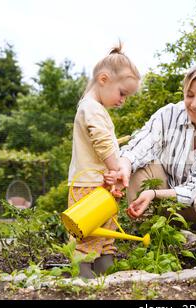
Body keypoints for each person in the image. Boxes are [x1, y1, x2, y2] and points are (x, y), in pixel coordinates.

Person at [105, 63, 196, 256]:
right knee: (138, 167)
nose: (193, 104)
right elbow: (140, 146)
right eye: (189, 95)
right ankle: (153, 239)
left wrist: (154, 194)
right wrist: (124, 166)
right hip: (171, 205)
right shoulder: (169, 114)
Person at [67, 43, 140, 278]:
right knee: (88, 231)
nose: (122, 101)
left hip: (99, 184)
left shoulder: (95, 108)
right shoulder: (91, 108)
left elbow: (104, 144)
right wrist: (116, 169)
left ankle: (105, 267)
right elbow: (102, 143)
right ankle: (84, 272)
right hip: (87, 186)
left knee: (106, 230)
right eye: (122, 93)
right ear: (103, 79)